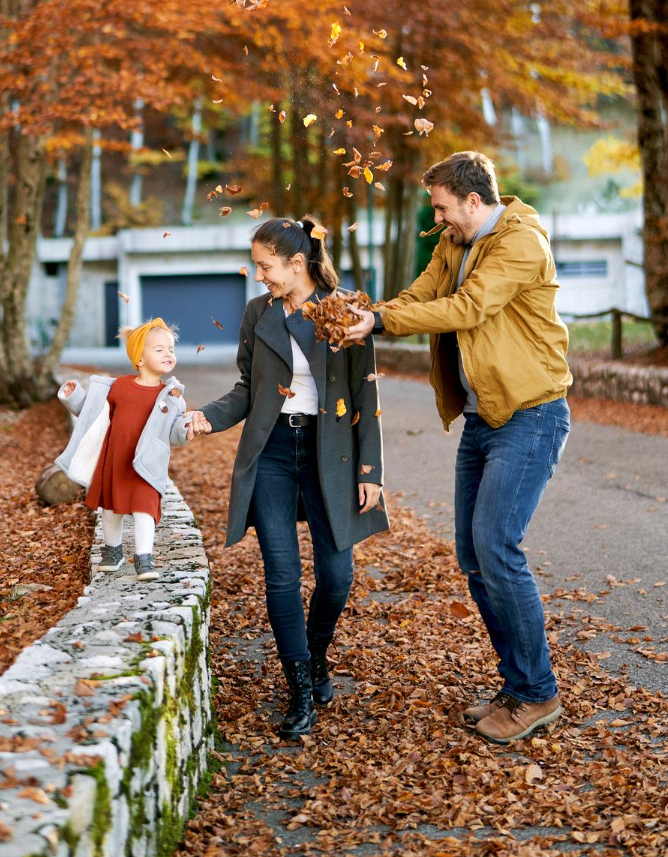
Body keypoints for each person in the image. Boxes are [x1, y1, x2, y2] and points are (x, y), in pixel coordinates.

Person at [345, 151, 572, 745]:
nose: (439, 220)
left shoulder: (521, 244)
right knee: (473, 558)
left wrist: (381, 325)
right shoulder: (456, 241)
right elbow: (421, 294)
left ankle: (538, 694)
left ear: (474, 201)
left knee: (496, 546)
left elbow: (468, 309)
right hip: (482, 419)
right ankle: (518, 683)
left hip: (530, 414)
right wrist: (368, 312)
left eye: (444, 208)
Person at [187, 216, 388, 739]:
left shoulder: (346, 311)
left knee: (337, 576)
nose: (259, 276)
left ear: (296, 263)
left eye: (265, 266)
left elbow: (365, 394)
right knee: (281, 576)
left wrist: (371, 470)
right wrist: (208, 416)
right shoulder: (259, 313)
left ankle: (314, 654)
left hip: (331, 455)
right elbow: (245, 388)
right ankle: (299, 688)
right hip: (273, 452)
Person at [76, 319, 190, 581]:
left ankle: (144, 558)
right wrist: (73, 397)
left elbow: (174, 433)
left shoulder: (171, 396)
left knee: (144, 508)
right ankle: (112, 552)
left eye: (171, 349)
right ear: (139, 358)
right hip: (116, 459)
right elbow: (92, 415)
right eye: (159, 349)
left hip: (147, 463)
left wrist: (186, 429)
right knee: (111, 509)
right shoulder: (118, 387)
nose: (168, 354)